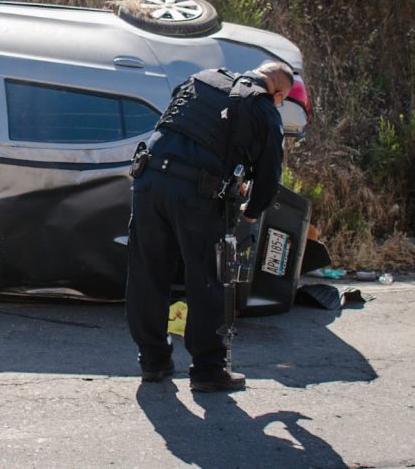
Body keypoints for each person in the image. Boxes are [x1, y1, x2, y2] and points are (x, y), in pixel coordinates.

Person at [125, 60, 294, 392]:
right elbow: (269, 177)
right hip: (196, 195)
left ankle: (153, 360)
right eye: (283, 98)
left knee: (148, 272)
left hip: (148, 180)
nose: (280, 103)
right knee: (207, 279)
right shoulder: (263, 108)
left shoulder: (202, 78)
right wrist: (250, 214)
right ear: (277, 92)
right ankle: (207, 370)